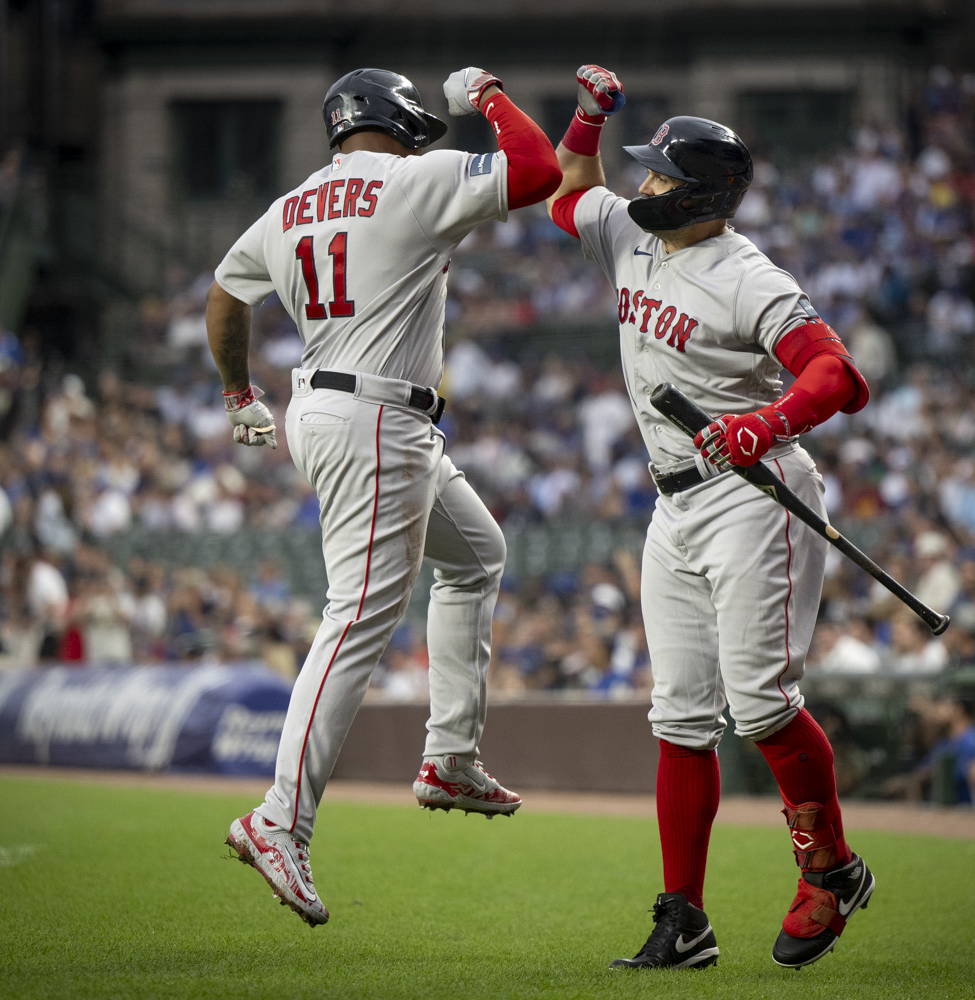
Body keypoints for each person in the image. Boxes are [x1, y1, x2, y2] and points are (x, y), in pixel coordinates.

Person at [209, 67, 561, 927]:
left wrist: (236, 396)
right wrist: (485, 95)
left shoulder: (289, 206)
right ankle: (278, 820)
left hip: (328, 406)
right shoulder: (411, 180)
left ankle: (450, 755)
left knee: (477, 555)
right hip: (375, 416)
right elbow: (540, 168)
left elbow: (224, 297)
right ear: (397, 119)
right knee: (359, 613)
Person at [547, 65, 874, 971]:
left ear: (698, 192)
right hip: (673, 497)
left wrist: (761, 422)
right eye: (643, 169)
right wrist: (585, 120)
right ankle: (683, 918)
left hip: (753, 492)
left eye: (656, 173)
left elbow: (837, 375)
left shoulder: (747, 274)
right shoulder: (631, 233)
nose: (640, 182)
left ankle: (829, 869)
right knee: (679, 718)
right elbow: (565, 195)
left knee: (763, 704)